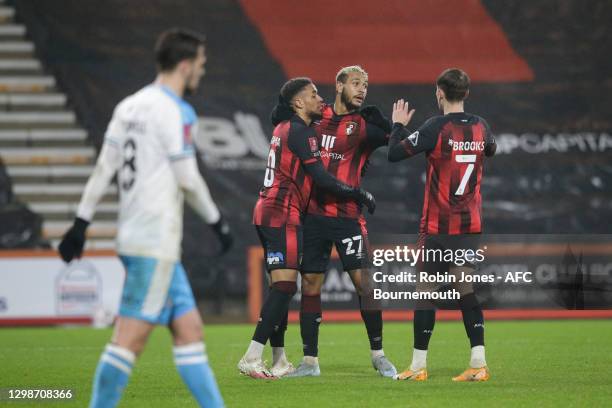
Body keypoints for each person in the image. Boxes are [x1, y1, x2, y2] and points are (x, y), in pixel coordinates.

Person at [58, 29, 232, 407]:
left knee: (189, 331)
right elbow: (186, 177)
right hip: (156, 243)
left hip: (135, 236)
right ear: (185, 66)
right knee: (129, 340)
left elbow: (105, 167)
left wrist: (80, 224)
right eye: (200, 64)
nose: (202, 71)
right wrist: (218, 222)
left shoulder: (130, 105)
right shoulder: (177, 111)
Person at [237, 77, 376, 379]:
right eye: (313, 95)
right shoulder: (303, 132)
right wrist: (357, 193)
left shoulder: (283, 128)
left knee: (280, 288)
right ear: (298, 103)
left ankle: (280, 359)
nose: (320, 99)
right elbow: (322, 178)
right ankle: (251, 356)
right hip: (283, 213)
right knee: (286, 287)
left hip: (266, 210)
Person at [283, 65, 396, 378]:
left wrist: (390, 123)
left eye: (366, 86)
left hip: (348, 218)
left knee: (366, 285)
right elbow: (283, 122)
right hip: (314, 216)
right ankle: (309, 362)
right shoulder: (316, 119)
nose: (362, 90)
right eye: (357, 83)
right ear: (339, 84)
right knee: (310, 286)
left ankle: (379, 356)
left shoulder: (365, 124)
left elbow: (397, 145)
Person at [387, 68, 496, 382]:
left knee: (425, 291)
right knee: (466, 289)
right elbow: (491, 148)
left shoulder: (436, 126)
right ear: (466, 94)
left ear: (439, 93)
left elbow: (395, 153)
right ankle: (478, 363)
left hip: (438, 227)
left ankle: (418, 367)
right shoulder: (480, 125)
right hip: (471, 226)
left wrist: (397, 125)